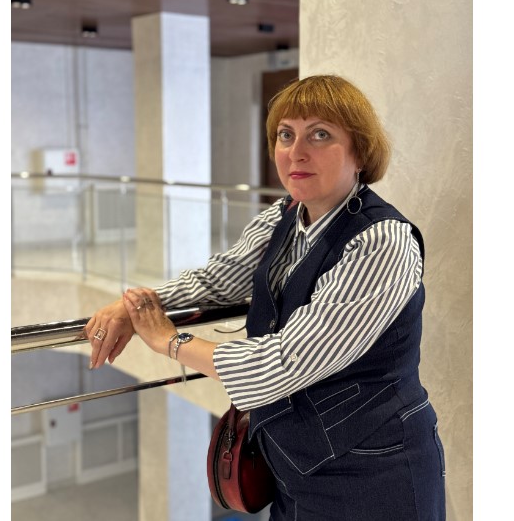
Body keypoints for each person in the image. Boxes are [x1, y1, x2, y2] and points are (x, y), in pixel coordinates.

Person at [84, 74, 446, 520]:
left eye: (320, 134)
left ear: (360, 152)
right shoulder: (285, 215)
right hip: (291, 469)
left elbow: (285, 363)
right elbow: (219, 280)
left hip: (375, 473)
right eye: (286, 135)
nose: (296, 151)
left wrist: (170, 342)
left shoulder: (381, 241)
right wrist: (136, 305)